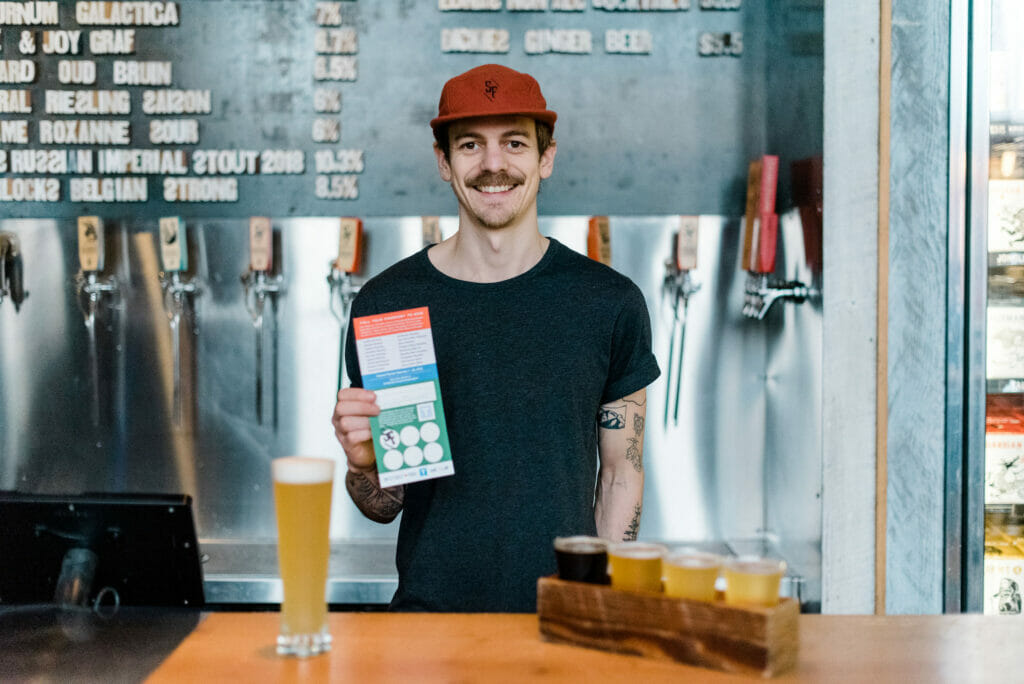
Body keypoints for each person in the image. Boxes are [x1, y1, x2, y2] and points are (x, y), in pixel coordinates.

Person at [331, 64, 660, 612]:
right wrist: (364, 463)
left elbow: (622, 471)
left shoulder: (608, 303)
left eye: (513, 142)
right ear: (443, 162)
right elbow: (384, 505)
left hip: (560, 625)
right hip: (427, 630)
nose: (492, 165)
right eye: (469, 145)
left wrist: (600, 609)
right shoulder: (388, 305)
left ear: (545, 157)